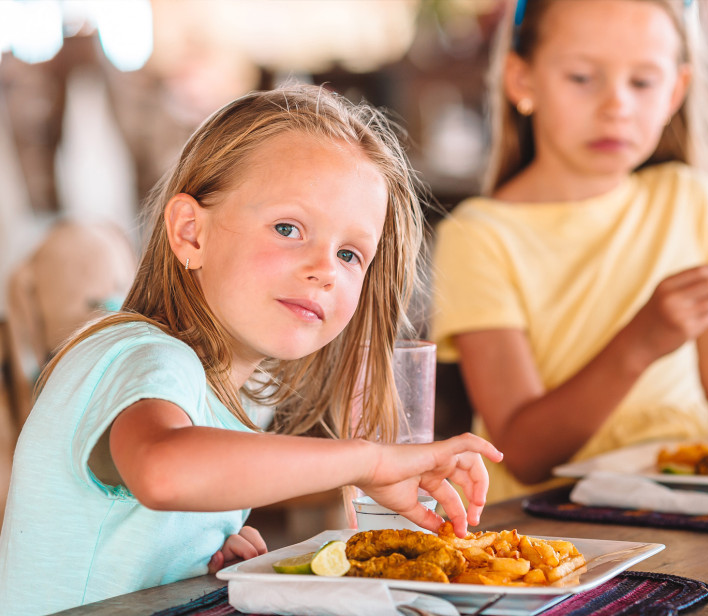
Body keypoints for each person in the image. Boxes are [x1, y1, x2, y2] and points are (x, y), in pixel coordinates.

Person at [0, 84, 503, 615]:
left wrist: (188, 551)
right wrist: (368, 462)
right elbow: (162, 470)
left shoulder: (223, 400)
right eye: (289, 228)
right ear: (191, 233)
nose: (325, 270)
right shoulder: (141, 354)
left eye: (351, 254)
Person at [431, 0, 708, 503]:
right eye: (584, 78)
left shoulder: (688, 198)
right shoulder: (478, 236)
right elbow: (522, 455)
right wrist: (641, 341)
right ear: (522, 80)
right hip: (556, 525)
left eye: (642, 82)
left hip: (693, 501)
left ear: (676, 90)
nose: (617, 106)